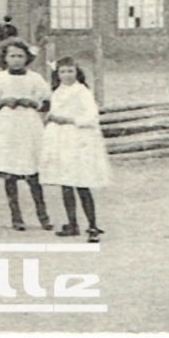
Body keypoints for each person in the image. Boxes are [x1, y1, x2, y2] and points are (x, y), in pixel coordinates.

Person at [0, 37, 54, 232]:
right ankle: (16, 217)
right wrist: (3, 102)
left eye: (20, 56)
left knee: (33, 173)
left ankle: (43, 216)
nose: (16, 60)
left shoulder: (35, 78)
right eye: (12, 56)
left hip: (29, 128)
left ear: (27, 58)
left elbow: (48, 102)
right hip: (7, 128)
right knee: (10, 174)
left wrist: (34, 103)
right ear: (4, 58)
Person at [40, 55, 109, 243]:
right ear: (57, 74)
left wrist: (69, 120)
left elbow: (91, 116)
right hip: (60, 140)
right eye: (62, 71)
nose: (67, 75)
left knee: (81, 183)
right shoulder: (56, 92)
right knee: (66, 183)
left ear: (76, 72)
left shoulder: (82, 92)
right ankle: (72, 223)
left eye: (70, 71)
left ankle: (92, 225)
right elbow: (50, 110)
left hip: (78, 140)